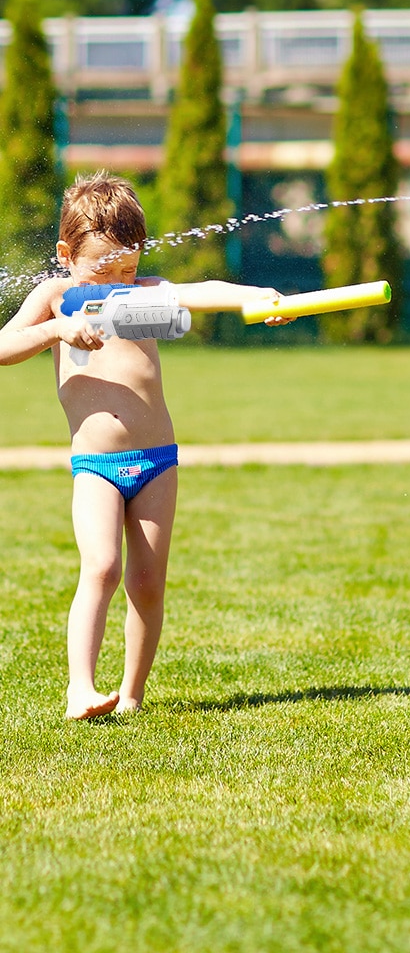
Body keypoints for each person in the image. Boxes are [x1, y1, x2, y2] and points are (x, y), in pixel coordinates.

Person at [0, 171, 289, 720]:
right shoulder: (57, 297)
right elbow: (3, 346)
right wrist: (55, 332)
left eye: (128, 270)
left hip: (158, 462)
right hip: (96, 465)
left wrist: (260, 296)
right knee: (103, 566)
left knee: (148, 583)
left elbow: (203, 293)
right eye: (105, 270)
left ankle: (131, 696)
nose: (118, 284)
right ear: (67, 254)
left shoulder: (144, 293)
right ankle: (79, 689)